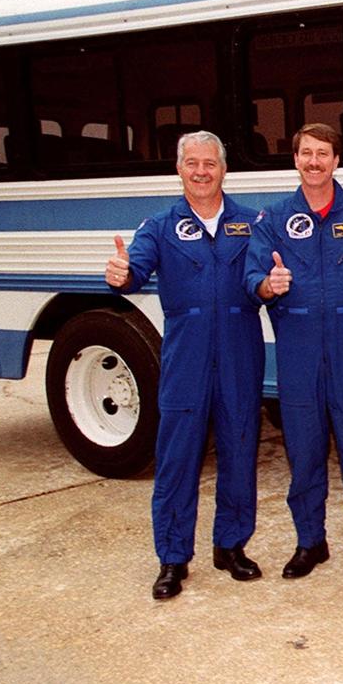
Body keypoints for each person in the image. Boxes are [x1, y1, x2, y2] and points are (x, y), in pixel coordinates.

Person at [105, 131, 264, 600]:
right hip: (185, 354)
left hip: (240, 349)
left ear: (223, 169)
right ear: (179, 169)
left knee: (239, 449)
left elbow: (267, 274)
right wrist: (122, 275)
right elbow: (133, 270)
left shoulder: (250, 223)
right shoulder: (159, 225)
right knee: (177, 457)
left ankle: (231, 545)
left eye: (209, 163)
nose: (201, 171)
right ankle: (173, 558)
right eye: (192, 163)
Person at [243, 123, 343, 581]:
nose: (314, 161)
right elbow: (252, 280)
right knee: (304, 452)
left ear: (336, 161)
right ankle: (310, 542)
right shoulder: (272, 219)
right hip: (299, 349)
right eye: (306, 153)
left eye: (323, 154)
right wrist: (270, 285)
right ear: (295, 159)